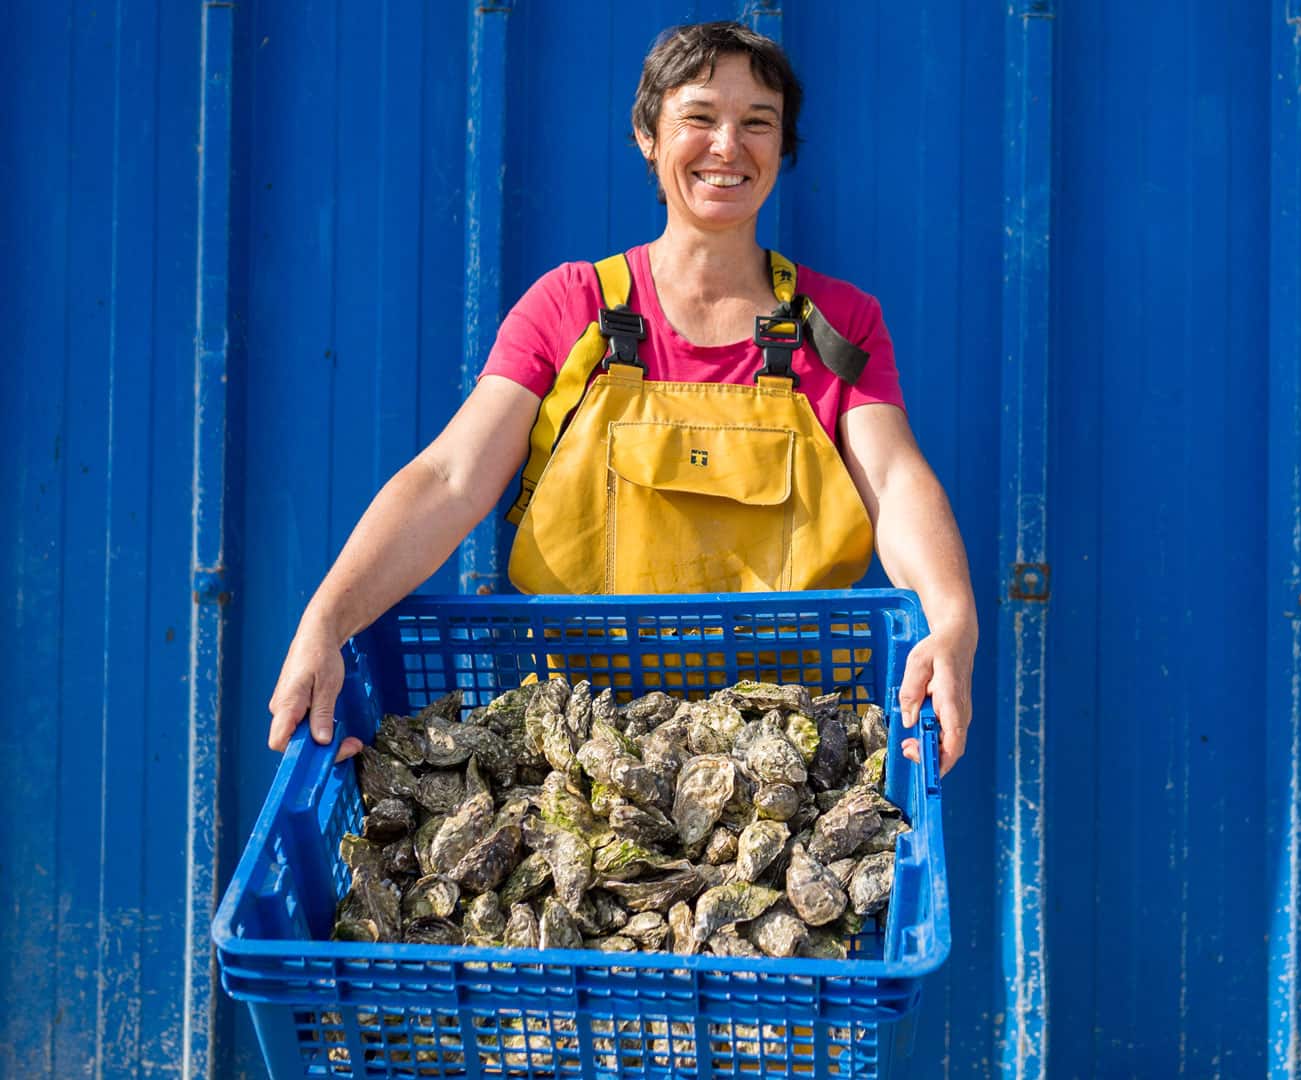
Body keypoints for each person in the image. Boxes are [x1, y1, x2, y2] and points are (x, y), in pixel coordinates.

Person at [266, 21, 975, 775]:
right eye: (699, 117)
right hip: (579, 745)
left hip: (787, 752)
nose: (728, 146)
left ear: (782, 148)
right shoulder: (571, 307)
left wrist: (952, 618)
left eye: (757, 123)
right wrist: (326, 618)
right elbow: (450, 478)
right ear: (648, 134)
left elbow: (895, 481)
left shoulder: (835, 321)